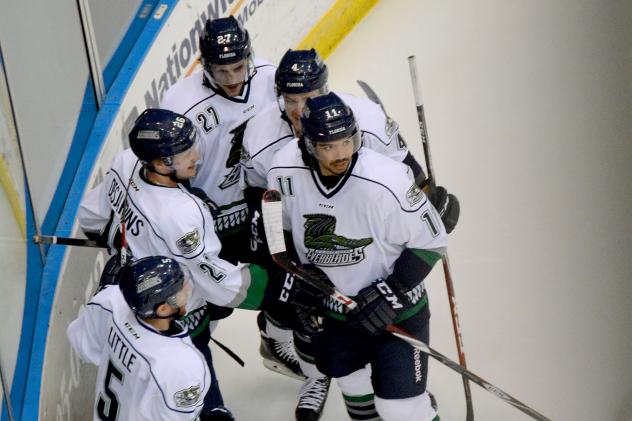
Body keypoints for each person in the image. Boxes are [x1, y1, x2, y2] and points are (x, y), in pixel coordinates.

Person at [241, 49, 458, 420]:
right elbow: (280, 237)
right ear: (307, 144)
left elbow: (431, 240)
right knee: (356, 393)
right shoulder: (282, 172)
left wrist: (390, 292)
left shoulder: (385, 179)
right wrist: (298, 287)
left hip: (398, 309)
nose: (341, 154)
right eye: (328, 146)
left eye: (347, 142)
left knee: (400, 410)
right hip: (334, 312)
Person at [77, 108, 319, 420]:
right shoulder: (181, 213)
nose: (197, 157)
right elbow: (215, 283)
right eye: (185, 152)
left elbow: (91, 218)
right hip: (179, 322)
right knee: (200, 399)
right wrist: (279, 285)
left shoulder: (125, 163)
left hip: (134, 300)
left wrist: (128, 250)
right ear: (161, 163)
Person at [160, 15, 277, 263]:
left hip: (268, 210)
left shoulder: (269, 78)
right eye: (221, 71)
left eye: (238, 67)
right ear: (205, 65)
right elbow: (166, 170)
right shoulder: (181, 103)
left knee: (279, 293)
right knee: (218, 297)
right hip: (215, 224)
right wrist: (192, 201)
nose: (232, 79)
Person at [67, 255, 210, 421]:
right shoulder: (181, 364)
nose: (186, 289)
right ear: (163, 309)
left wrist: (103, 291)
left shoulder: (110, 302)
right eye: (180, 289)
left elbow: (83, 345)